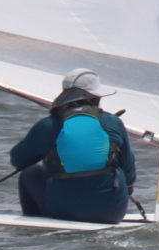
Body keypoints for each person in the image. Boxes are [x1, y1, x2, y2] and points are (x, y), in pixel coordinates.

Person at [8, 70, 137, 224]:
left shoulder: (47, 126)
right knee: (116, 164)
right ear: (96, 97)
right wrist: (127, 186)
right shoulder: (113, 122)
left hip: (62, 212)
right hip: (113, 214)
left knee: (30, 172)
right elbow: (128, 166)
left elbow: (18, 160)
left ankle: (36, 226)